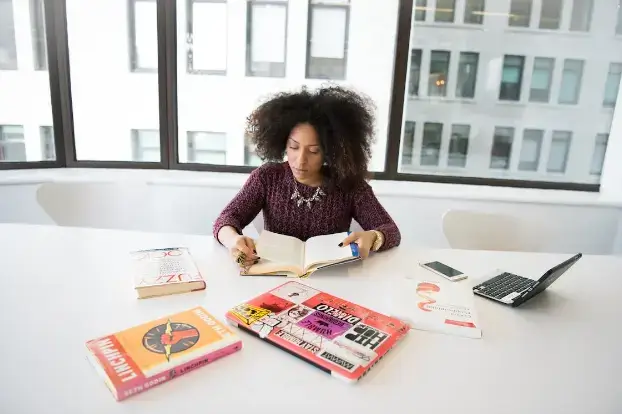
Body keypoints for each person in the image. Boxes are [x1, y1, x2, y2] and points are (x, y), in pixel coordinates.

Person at [213, 85, 401, 270]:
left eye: (314, 151)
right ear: (282, 142)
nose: (301, 160)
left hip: (333, 279)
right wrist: (234, 241)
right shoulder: (267, 177)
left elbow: (391, 231)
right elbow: (226, 219)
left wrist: (373, 237)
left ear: (328, 152)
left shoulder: (348, 184)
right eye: (294, 147)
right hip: (274, 276)